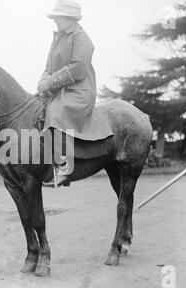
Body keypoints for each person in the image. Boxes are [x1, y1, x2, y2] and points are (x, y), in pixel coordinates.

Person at [37, 0, 113, 187]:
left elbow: (78, 69)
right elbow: (48, 66)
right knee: (35, 109)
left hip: (79, 91)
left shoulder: (82, 39)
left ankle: (64, 168)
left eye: (58, 17)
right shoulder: (58, 37)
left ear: (70, 18)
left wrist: (49, 83)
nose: (55, 20)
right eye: (55, 17)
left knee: (56, 112)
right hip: (59, 90)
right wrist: (42, 82)